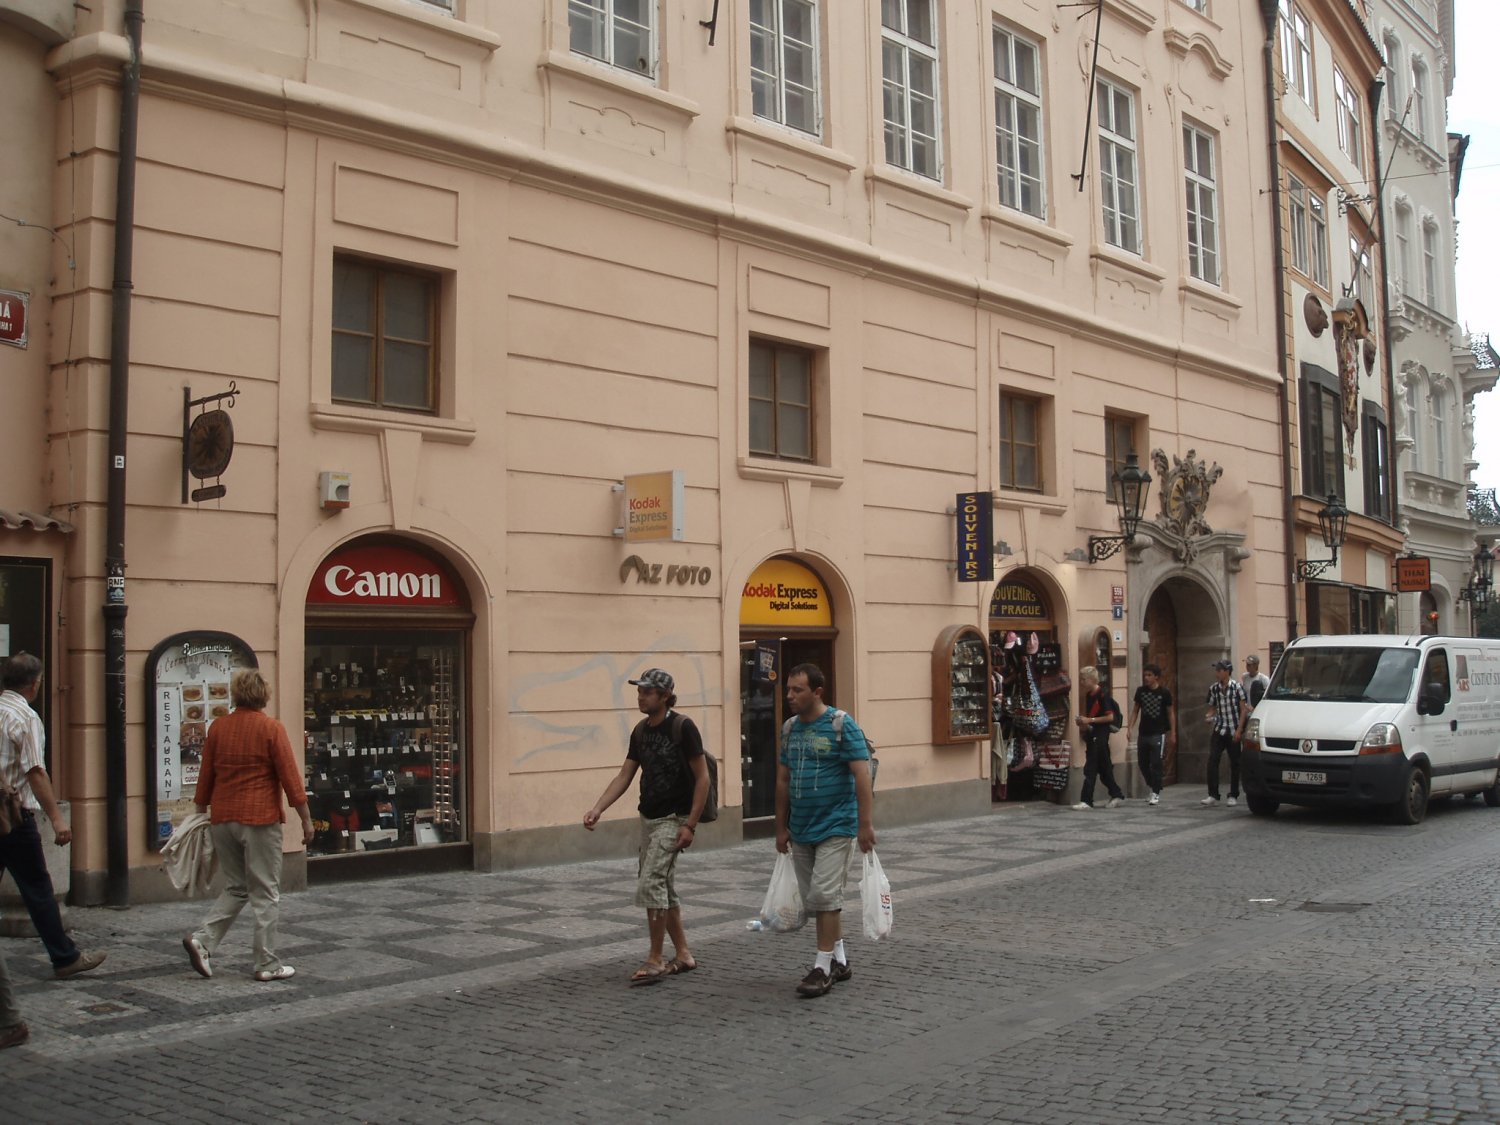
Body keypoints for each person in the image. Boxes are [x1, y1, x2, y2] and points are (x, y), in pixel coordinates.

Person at [183, 668, 314, 982]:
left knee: (237, 886)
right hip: (259, 819)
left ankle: (203, 941)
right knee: (265, 891)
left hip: (223, 818)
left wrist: (201, 813)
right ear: (263, 695)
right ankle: (266, 963)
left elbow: (205, 777)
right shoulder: (271, 728)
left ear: (236, 694)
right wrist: (306, 819)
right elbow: (291, 780)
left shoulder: (218, 728)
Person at [584, 668, 710, 985]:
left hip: (674, 818)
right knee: (661, 885)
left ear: (664, 696)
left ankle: (655, 959)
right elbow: (625, 775)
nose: (640, 697)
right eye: (639, 691)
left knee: (650, 883)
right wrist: (598, 808)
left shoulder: (683, 727)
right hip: (649, 819)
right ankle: (683, 954)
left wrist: (690, 825)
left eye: (647, 692)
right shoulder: (640, 730)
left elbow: (703, 778)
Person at [0, 652, 107, 981]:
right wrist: (58, 820)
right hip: (13, 816)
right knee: (38, 888)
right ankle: (64, 957)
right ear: (35, 684)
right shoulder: (25, 717)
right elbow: (35, 771)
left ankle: (64, 955)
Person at [776, 663, 875, 998]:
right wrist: (781, 827)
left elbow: (861, 774)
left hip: (836, 824)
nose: (790, 696)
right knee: (818, 901)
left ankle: (822, 968)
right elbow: (783, 779)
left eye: (797, 690)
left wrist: (864, 824)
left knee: (824, 895)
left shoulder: (841, 724)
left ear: (817, 692)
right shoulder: (790, 728)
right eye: (788, 689)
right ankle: (840, 960)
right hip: (802, 826)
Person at [1072, 667, 1125, 810]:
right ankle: (1116, 794)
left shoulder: (1102, 695)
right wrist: (1084, 722)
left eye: (1084, 679)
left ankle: (1086, 800)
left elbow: (1110, 717)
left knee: (1090, 768)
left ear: (1092, 679)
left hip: (1101, 735)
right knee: (1104, 768)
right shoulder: (1089, 695)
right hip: (1093, 734)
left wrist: (1090, 720)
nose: (1082, 682)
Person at [1203, 659, 1250, 807]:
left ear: (1227, 671)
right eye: (1216, 670)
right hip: (1219, 729)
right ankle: (1213, 794)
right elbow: (1212, 707)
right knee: (1212, 760)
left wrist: (1239, 730)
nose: (1217, 673)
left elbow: (1243, 710)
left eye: (1219, 670)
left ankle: (1233, 794)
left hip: (1233, 728)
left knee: (1235, 762)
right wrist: (1209, 716)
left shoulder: (1237, 687)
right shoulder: (1214, 689)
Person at [1128, 663, 1175, 806]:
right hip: (1144, 732)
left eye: (1149, 675)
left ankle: (1155, 792)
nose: (1146, 678)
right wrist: (1130, 728)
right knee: (1142, 763)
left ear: (1156, 677)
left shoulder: (1164, 693)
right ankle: (1152, 785)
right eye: (1145, 675)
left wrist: (1173, 733)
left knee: (1156, 763)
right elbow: (1135, 710)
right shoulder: (1141, 691)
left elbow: (1170, 713)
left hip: (1158, 732)